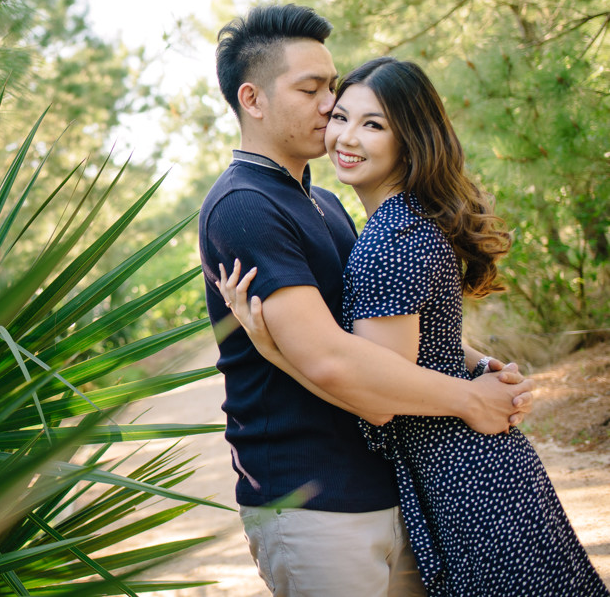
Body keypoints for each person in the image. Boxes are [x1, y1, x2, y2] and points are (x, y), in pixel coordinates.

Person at [217, 57, 608, 596]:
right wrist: (482, 367)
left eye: (373, 124)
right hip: (466, 469)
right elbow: (427, 339)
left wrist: (274, 350)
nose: (344, 135)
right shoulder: (397, 221)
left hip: (461, 478)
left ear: (411, 140)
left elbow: (379, 400)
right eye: (341, 116)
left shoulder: (389, 238)